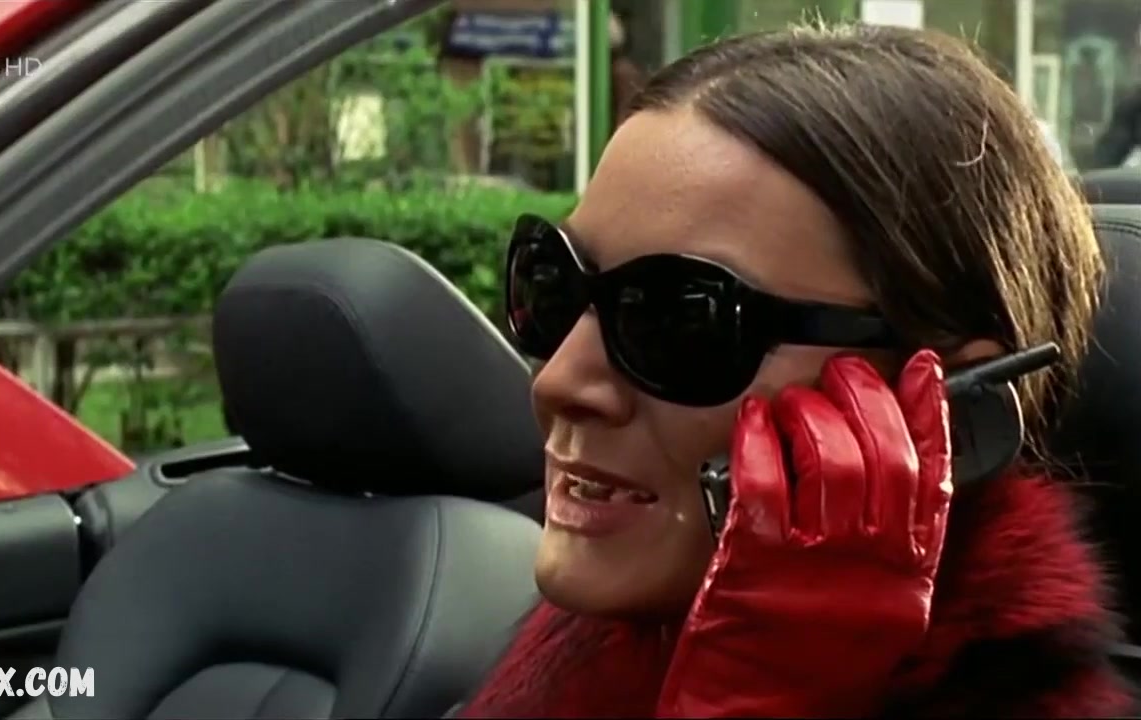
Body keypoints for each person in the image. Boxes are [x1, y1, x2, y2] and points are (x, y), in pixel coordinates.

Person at [459, 23, 1135, 718]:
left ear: (947, 416)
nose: (558, 382)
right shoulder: (592, 640)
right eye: (553, 284)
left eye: (681, 320)